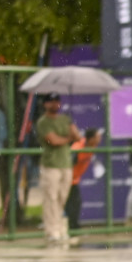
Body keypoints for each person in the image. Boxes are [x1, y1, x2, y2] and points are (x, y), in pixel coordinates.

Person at [33, 93, 80, 247]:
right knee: (51, 197)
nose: (55, 104)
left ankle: (60, 229)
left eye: (56, 101)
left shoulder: (65, 120)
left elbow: (78, 137)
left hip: (65, 163)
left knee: (62, 197)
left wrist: (71, 126)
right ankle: (51, 231)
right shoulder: (43, 122)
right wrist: (68, 139)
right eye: (51, 102)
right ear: (45, 104)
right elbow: (53, 140)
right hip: (51, 164)